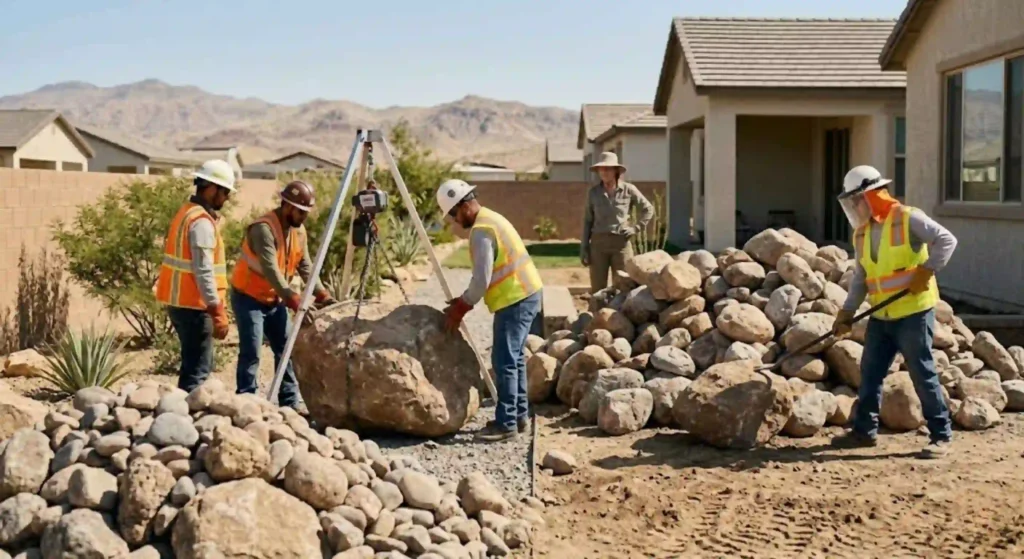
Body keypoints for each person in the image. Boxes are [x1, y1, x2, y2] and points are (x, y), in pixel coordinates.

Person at [830, 164, 957, 459]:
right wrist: (846, 313)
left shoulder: (907, 217)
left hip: (913, 312)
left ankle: (941, 434)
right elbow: (861, 278)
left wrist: (926, 270)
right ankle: (864, 431)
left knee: (922, 371)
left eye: (855, 200)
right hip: (882, 315)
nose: (852, 206)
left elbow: (947, 240)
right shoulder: (861, 234)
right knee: (870, 372)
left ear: (869, 196)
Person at [438, 178, 544, 442]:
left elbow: (481, 279)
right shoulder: (491, 218)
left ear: (463, 206)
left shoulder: (482, 231)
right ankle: (518, 417)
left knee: (504, 360)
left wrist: (462, 306)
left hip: (516, 298)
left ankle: (506, 423)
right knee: (515, 358)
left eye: (453, 214)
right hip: (526, 293)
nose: (454, 221)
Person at [229, 180, 337, 410]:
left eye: (306, 212)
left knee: (287, 347)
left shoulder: (299, 231)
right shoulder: (263, 229)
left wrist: (322, 294)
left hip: (274, 298)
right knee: (252, 349)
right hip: (249, 298)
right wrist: (294, 300)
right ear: (287, 206)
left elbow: (305, 265)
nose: (303, 217)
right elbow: (272, 270)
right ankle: (246, 400)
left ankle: (289, 401)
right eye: (300, 211)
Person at [155, 159, 236, 393]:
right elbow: (203, 271)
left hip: (182, 303)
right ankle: (188, 422)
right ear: (211, 188)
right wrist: (217, 310)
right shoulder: (200, 222)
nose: (227, 197)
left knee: (191, 367)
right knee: (198, 373)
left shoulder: (186, 213)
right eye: (225, 191)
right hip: (195, 307)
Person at [580, 151, 654, 293]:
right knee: (597, 288)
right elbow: (588, 220)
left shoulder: (628, 190)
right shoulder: (593, 193)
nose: (604, 172)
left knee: (624, 286)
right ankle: (597, 314)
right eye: (601, 169)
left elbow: (648, 209)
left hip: (621, 244)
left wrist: (636, 228)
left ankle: (618, 315)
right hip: (598, 245)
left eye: (608, 169)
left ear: (616, 171)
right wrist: (584, 247)